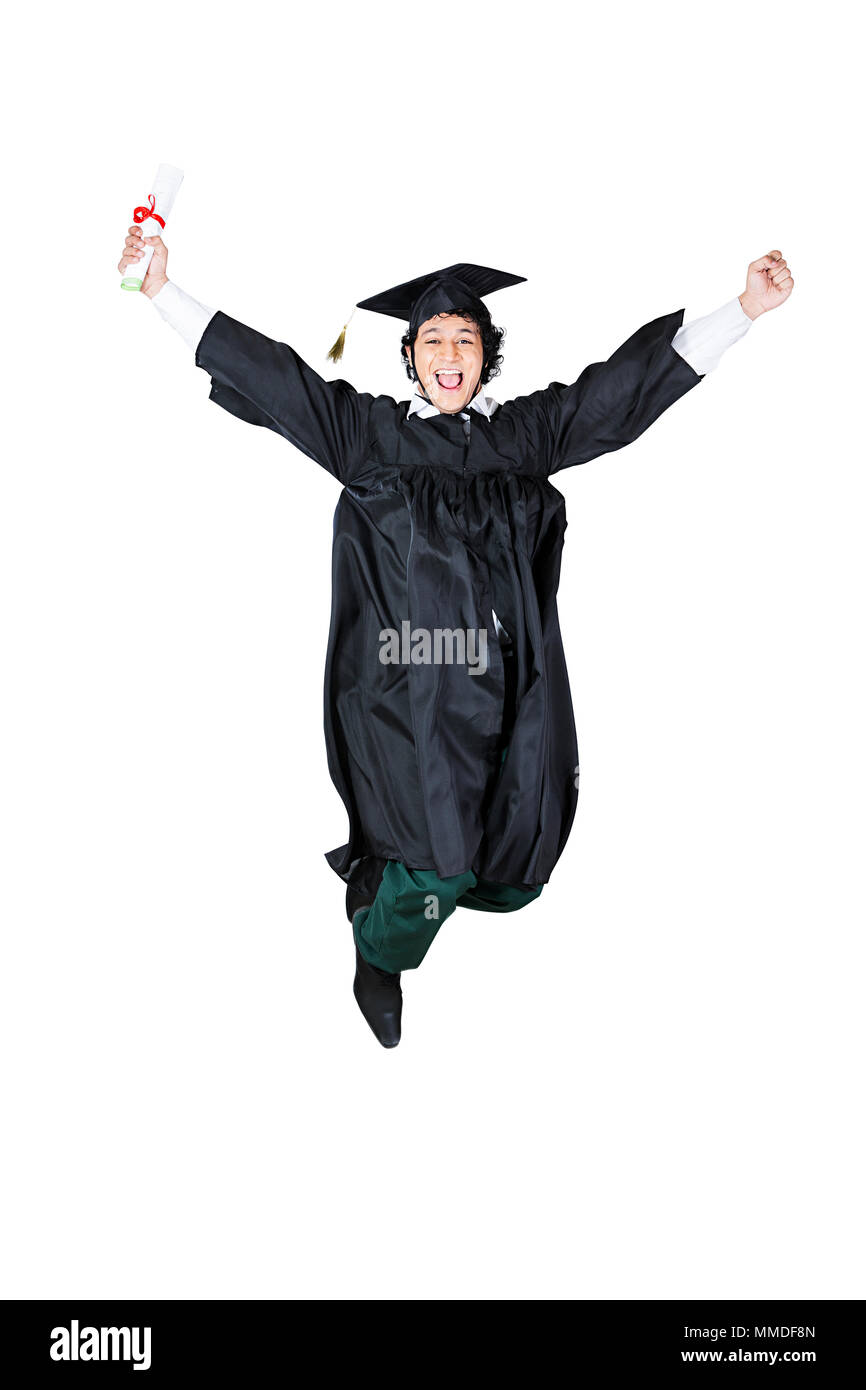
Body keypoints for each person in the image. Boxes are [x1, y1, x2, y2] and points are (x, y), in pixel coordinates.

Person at [117, 227, 794, 1048]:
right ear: (409, 356)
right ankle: (379, 949)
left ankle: (405, 886)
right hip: (407, 692)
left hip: (509, 690)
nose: (448, 353)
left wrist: (744, 311)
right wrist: (159, 290)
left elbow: (620, 394)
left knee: (514, 866)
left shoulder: (525, 438)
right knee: (436, 862)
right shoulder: (368, 438)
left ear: (485, 356)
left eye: (464, 340)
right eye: (431, 339)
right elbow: (275, 377)